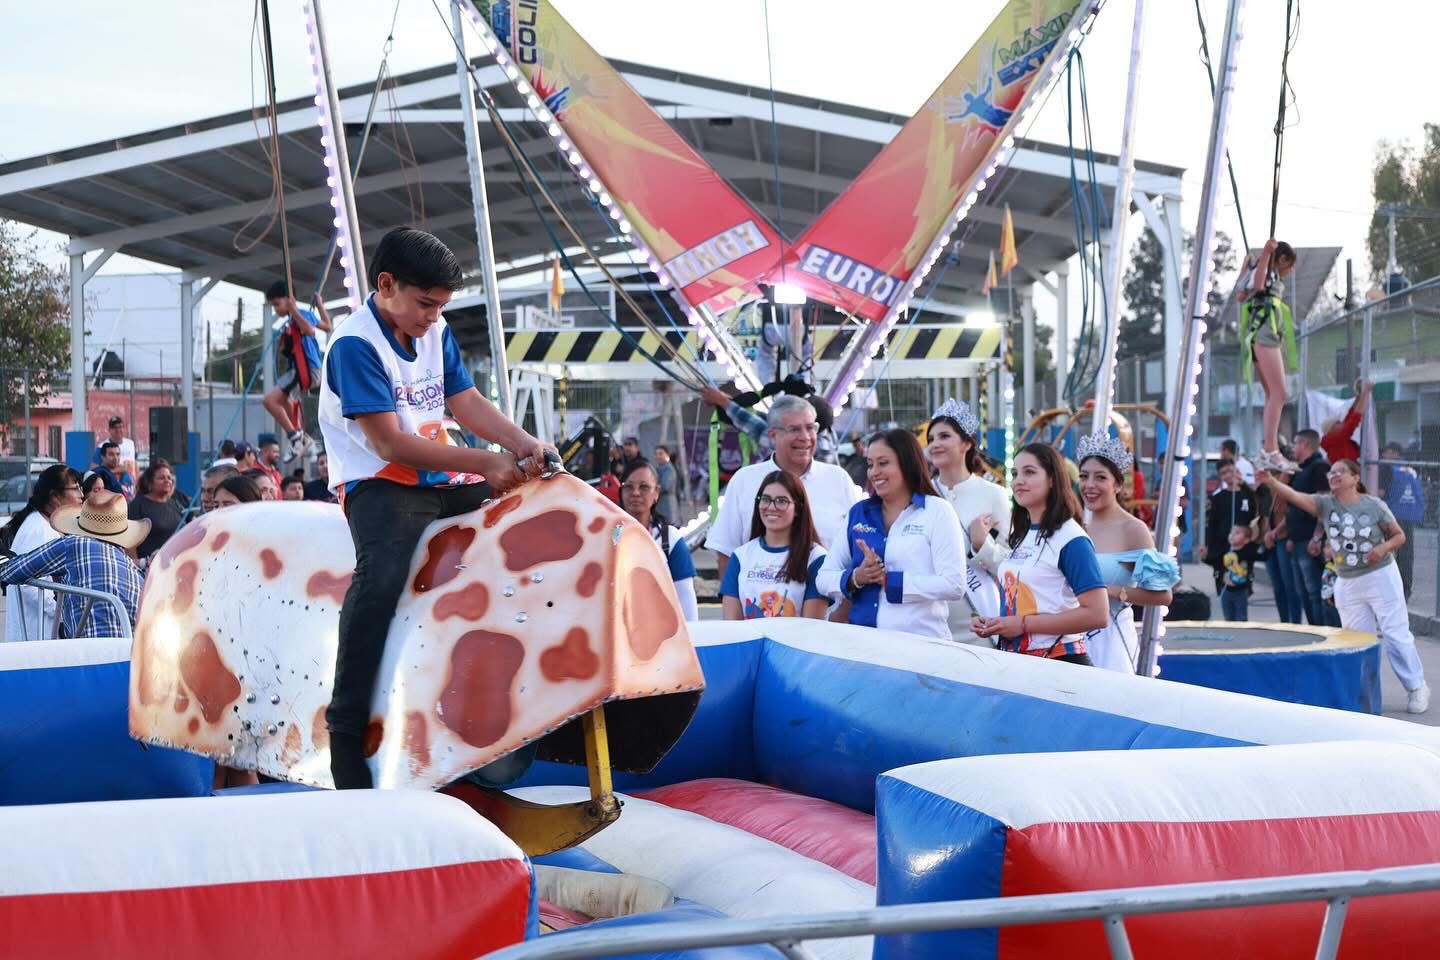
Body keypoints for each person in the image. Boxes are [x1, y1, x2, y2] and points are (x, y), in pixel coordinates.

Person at [318, 227, 547, 790]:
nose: (432, 316)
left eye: (441, 306)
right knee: (382, 579)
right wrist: (488, 463)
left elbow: (463, 400)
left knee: (523, 517)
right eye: (425, 304)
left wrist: (521, 445)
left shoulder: (434, 329)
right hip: (380, 483)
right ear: (386, 284)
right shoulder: (355, 346)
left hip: (440, 475)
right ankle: (345, 727)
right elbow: (389, 445)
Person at [1261, 460, 1430, 713]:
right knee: (1357, 640)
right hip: (1348, 581)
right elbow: (1296, 497)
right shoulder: (1326, 504)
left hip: (1381, 576)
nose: (1334, 475)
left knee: (1395, 633)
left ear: (1355, 478)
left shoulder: (1373, 505)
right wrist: (1270, 481)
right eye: (1332, 472)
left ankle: (1416, 687)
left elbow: (1398, 535)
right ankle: (1362, 693)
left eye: (1341, 471)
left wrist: (1382, 548)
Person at [817, 428, 966, 639]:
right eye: (870, 464)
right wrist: (856, 577)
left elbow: (954, 584)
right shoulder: (859, 513)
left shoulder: (937, 511)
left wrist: (891, 582)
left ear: (906, 463)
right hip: (863, 648)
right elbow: (823, 578)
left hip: (922, 649)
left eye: (883, 463)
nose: (874, 472)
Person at [973, 443, 1108, 664]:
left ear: (1052, 479)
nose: (1018, 481)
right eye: (1015, 473)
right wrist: (995, 623)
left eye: (1030, 472)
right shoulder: (1024, 535)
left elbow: (1097, 614)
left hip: (1060, 664)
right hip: (1019, 664)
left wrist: (1023, 624)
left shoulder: (1071, 539)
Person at [705, 394, 861, 585]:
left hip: (828, 609)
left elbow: (856, 547)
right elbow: (725, 552)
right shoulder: (745, 481)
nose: (805, 437)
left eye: (811, 427)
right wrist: (732, 610)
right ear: (773, 435)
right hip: (762, 610)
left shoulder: (838, 479)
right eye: (794, 429)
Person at [1076, 433, 1178, 672]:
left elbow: (1163, 595)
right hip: (1073, 638)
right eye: (1084, 476)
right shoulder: (1076, 525)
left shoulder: (1133, 529)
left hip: (1112, 640)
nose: (1090, 484)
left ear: (1118, 484)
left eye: (1100, 477)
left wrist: (1110, 592)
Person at [0, 490, 146, 639]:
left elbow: (11, 572)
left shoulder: (75, 544)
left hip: (86, 654)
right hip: (128, 656)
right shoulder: (134, 571)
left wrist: (4, 557)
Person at [926, 399, 1009, 644]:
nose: (935, 444)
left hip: (980, 623)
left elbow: (1010, 568)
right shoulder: (920, 495)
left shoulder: (994, 494)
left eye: (944, 436)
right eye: (931, 439)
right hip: (931, 620)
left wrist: (981, 545)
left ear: (967, 443)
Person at [721, 469, 827, 620]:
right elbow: (732, 628)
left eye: (781, 501)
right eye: (765, 499)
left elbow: (812, 630)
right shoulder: (741, 556)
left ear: (798, 508)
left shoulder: (816, 558)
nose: (771, 507)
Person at [2, 465, 83, 642]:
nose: (81, 495)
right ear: (54, 496)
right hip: (37, 636)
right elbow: (28, 586)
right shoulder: (39, 530)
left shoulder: (43, 524)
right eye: (75, 488)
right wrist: (63, 615)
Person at [1238, 238, 1299, 472]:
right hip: (1264, 333)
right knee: (1280, 392)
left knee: (1272, 394)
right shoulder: (1266, 272)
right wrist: (1264, 255)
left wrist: (1248, 267)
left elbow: (1241, 294)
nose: (1291, 269)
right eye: (1289, 264)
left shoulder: (1261, 272)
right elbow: (1259, 285)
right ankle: (1271, 450)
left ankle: (1268, 449)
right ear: (1281, 259)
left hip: (1262, 335)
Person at [619, 460, 699, 620]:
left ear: (656, 493)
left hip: (661, 638)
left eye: (644, 487)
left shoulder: (671, 539)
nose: (635, 492)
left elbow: (686, 597)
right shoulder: (606, 536)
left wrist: (691, 640)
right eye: (628, 486)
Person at [263, 279, 332, 463]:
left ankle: (295, 437)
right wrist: (320, 305)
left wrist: (293, 311)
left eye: (277, 304)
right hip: (309, 370)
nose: (276, 310)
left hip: (306, 369)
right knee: (285, 400)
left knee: (269, 401)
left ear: (289, 300)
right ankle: (301, 436)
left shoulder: (298, 316)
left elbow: (309, 331)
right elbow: (327, 326)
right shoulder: (303, 315)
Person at [1284, 429, 1337, 626]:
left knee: (1314, 590)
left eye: (1295, 443)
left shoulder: (1319, 467)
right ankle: (1313, 629)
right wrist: (1290, 536)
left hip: (1309, 539)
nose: (1293, 448)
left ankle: (1321, 630)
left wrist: (1317, 537)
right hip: (1297, 538)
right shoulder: (1301, 469)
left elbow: (1324, 505)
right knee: (1303, 591)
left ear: (1305, 444)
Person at [1200, 460, 1257, 595]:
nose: (1228, 475)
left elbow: (1257, 505)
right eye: (1223, 473)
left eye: (1230, 471)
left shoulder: (1247, 495)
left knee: (1242, 584)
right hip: (1222, 547)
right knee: (1223, 585)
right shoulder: (1217, 498)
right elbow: (1211, 524)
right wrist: (1208, 545)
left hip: (1242, 547)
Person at [1378, 442, 1423, 598]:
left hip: (1391, 515)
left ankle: (1389, 589)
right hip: (1408, 514)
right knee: (1406, 555)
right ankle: (1405, 590)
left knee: (1385, 552)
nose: (1383, 455)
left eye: (1387, 451)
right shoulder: (1410, 469)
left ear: (1395, 453)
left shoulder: (1386, 467)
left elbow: (1381, 493)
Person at [128, 458, 189, 562]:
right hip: (148, 569)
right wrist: (139, 564)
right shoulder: (137, 505)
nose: (167, 481)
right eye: (161, 478)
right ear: (150, 483)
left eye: (169, 478)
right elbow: (130, 543)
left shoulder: (175, 503)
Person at [1260, 477, 1300, 623]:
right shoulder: (1264, 484)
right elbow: (1264, 512)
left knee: (1289, 583)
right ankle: (1284, 620)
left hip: (1284, 535)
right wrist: (1266, 532)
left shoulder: (1289, 478)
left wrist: (1276, 531)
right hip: (1267, 537)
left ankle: (1294, 622)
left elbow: (1291, 511)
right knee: (1277, 584)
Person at [1320, 379, 1372, 466]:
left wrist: (1360, 395)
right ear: (1332, 428)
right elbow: (1354, 418)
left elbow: (1351, 415)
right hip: (1345, 473)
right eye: (1338, 422)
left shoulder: (1335, 437)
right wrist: (1365, 392)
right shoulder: (1336, 438)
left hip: (1347, 471)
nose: (1341, 422)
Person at [1219, 524, 1264, 622]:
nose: (1232, 535)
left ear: (1246, 540)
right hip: (1226, 591)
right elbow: (1216, 563)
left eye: (1237, 533)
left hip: (1241, 592)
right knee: (1228, 618)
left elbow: (1263, 557)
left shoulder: (1247, 553)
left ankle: (1241, 634)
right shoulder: (1225, 551)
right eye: (1231, 532)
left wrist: (1269, 547)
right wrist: (1204, 556)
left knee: (1241, 618)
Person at [94, 416, 138, 496]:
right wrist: (118, 470)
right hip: (112, 488)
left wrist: (138, 485)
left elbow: (135, 465)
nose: (118, 430)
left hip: (130, 488)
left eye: (120, 427)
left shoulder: (130, 444)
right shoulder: (101, 446)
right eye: (114, 427)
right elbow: (94, 471)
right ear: (109, 430)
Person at [653, 445, 681, 521]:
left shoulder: (668, 469)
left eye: (660, 454)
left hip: (667, 504)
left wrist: (651, 489)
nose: (657, 456)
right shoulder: (660, 468)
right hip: (662, 504)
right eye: (656, 454)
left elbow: (664, 486)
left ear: (667, 455)